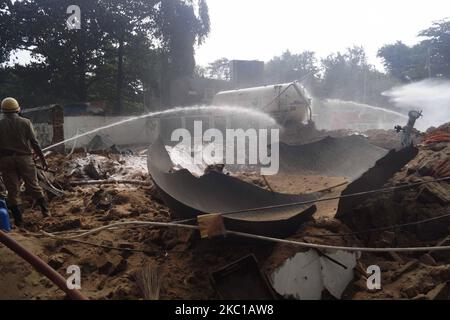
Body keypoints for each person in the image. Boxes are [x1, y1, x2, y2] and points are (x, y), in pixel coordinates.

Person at [0, 97, 50, 226]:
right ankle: (46, 212)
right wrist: (43, 159)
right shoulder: (26, 122)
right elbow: (35, 143)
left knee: (12, 191)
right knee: (33, 185)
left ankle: (18, 220)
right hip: (25, 158)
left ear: (3, 111)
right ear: (18, 109)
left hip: (6, 160)